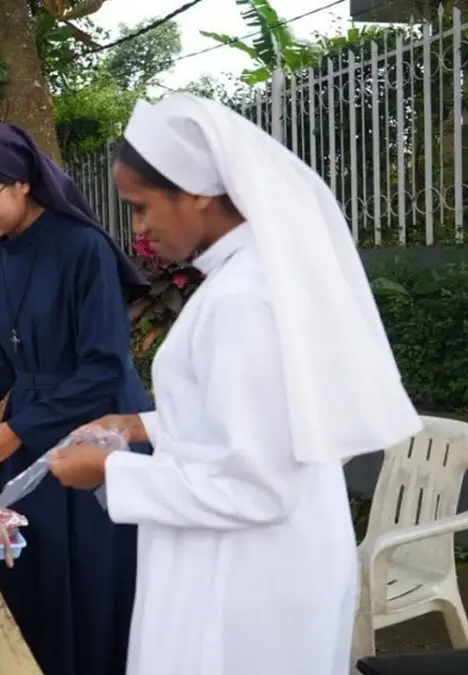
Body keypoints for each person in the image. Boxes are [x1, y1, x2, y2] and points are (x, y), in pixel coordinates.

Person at [48, 93, 421, 675]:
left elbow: (255, 487)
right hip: (264, 553)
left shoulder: (243, 298)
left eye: (142, 207)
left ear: (196, 191)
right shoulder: (252, 277)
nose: (139, 229)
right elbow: (253, 421)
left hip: (248, 578)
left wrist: (109, 470)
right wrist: (141, 427)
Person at [0, 123, 152, 675]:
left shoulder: (83, 248)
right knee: (35, 566)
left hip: (98, 428)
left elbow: (104, 366)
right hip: (29, 431)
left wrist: (15, 430)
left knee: (95, 577)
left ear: (22, 183)